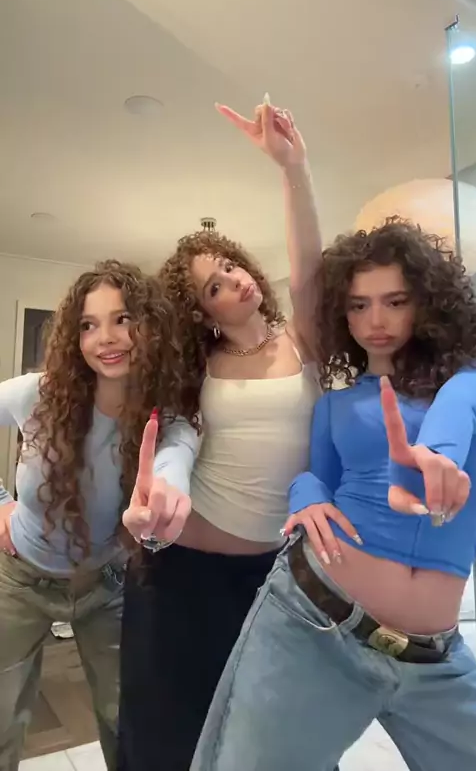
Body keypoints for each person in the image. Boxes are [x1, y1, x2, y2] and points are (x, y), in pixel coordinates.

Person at [190, 218, 476, 771]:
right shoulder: (334, 405)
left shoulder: (467, 383)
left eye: (395, 301)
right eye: (358, 306)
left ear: (426, 303)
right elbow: (316, 476)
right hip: (312, 619)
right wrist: (305, 495)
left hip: (436, 658)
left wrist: (438, 454)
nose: (376, 321)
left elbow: (457, 411)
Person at [118, 97, 322, 771]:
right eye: (213, 288)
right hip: (184, 574)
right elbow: (177, 443)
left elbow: (309, 269)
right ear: (201, 314)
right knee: (171, 742)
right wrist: (159, 498)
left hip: (277, 571)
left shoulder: (303, 339)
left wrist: (292, 168)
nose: (232, 282)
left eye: (229, 268)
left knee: (280, 740)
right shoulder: (200, 369)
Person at [0, 260, 200, 771]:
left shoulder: (168, 423)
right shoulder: (36, 394)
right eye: (89, 325)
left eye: (122, 319)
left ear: (150, 327)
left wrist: (163, 501)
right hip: (18, 579)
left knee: (126, 722)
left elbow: (173, 464)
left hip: (106, 586)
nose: (106, 338)